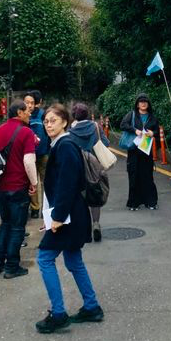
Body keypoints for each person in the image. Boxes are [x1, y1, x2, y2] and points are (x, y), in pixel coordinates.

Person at [35, 104, 103, 334]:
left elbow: (67, 184)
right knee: (73, 260)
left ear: (65, 122)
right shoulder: (62, 144)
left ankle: (58, 314)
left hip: (68, 216)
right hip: (71, 214)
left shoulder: (64, 146)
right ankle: (92, 307)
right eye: (46, 121)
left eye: (53, 120)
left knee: (44, 258)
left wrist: (57, 217)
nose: (48, 125)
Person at [0, 98, 37, 278]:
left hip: (1, 187)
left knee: (6, 224)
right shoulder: (26, 132)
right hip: (18, 186)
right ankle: (11, 266)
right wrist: (34, 182)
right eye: (27, 111)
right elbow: (28, 161)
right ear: (19, 112)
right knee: (17, 228)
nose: (29, 113)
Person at [70, 102, 110, 242]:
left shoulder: (71, 131)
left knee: (80, 197)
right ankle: (96, 224)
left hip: (78, 167)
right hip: (94, 167)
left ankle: (83, 228)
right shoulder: (95, 127)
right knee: (95, 196)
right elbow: (106, 143)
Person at [120, 93, 159, 211]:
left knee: (147, 176)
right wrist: (134, 130)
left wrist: (153, 133)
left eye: (145, 101)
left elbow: (157, 131)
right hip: (134, 150)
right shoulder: (131, 115)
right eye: (141, 101)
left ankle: (150, 202)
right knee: (134, 175)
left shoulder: (152, 117)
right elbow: (123, 125)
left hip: (146, 151)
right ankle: (134, 203)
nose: (143, 103)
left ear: (148, 104)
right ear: (137, 104)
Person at [25, 91, 49, 218]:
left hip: (43, 154)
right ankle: (35, 208)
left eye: (32, 103)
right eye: (27, 103)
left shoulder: (43, 115)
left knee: (46, 182)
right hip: (30, 154)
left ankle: (46, 208)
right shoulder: (24, 115)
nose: (30, 105)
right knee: (32, 182)